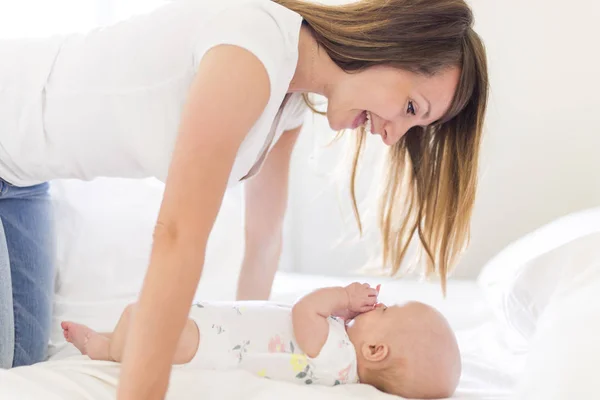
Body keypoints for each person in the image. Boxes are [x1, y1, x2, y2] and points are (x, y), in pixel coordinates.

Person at [0, 0, 488, 397]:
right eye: (408, 108)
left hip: (24, 181)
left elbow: (263, 239)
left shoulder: (290, 107)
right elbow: (178, 235)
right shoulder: (252, 50)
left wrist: (240, 353)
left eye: (413, 126)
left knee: (16, 360)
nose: (391, 135)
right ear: (392, 44)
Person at [62, 282, 461, 399]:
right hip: (220, 331)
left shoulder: (336, 352)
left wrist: (343, 297)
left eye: (385, 313)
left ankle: (106, 348)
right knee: (150, 326)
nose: (377, 307)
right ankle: (107, 343)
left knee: (147, 326)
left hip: (214, 343)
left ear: (376, 350)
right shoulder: (341, 366)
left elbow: (306, 310)